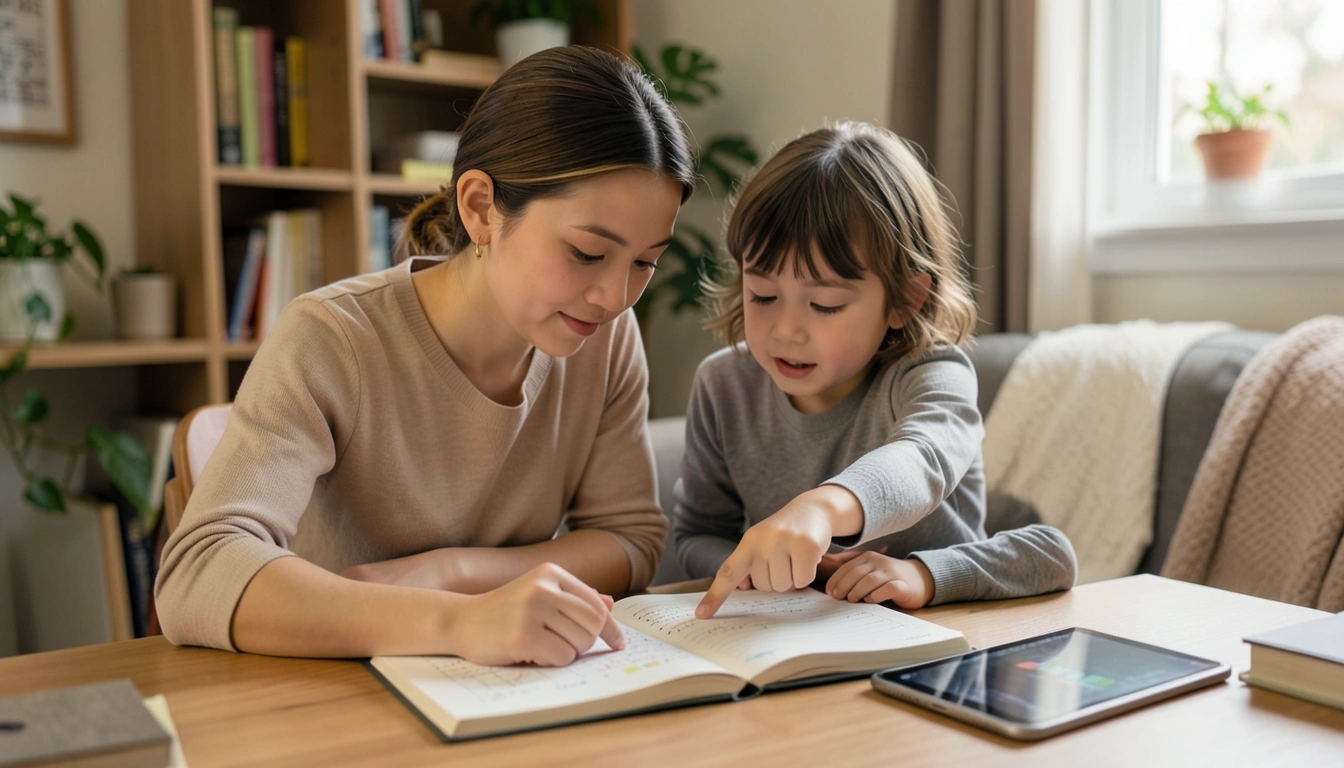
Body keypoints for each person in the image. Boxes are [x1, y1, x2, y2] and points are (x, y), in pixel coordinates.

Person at [155, 46, 696, 666]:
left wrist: (450, 573)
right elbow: (199, 572)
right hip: (326, 689)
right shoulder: (331, 337)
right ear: (480, 208)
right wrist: (458, 622)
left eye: (646, 262)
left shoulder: (605, 339)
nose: (616, 296)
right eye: (586, 253)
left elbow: (630, 540)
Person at [676, 122, 1077, 620]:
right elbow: (695, 535)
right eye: (762, 295)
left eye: (823, 304)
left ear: (906, 300)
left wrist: (911, 569)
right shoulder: (723, 386)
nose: (786, 330)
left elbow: (924, 460)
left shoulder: (932, 374)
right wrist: (762, 567)